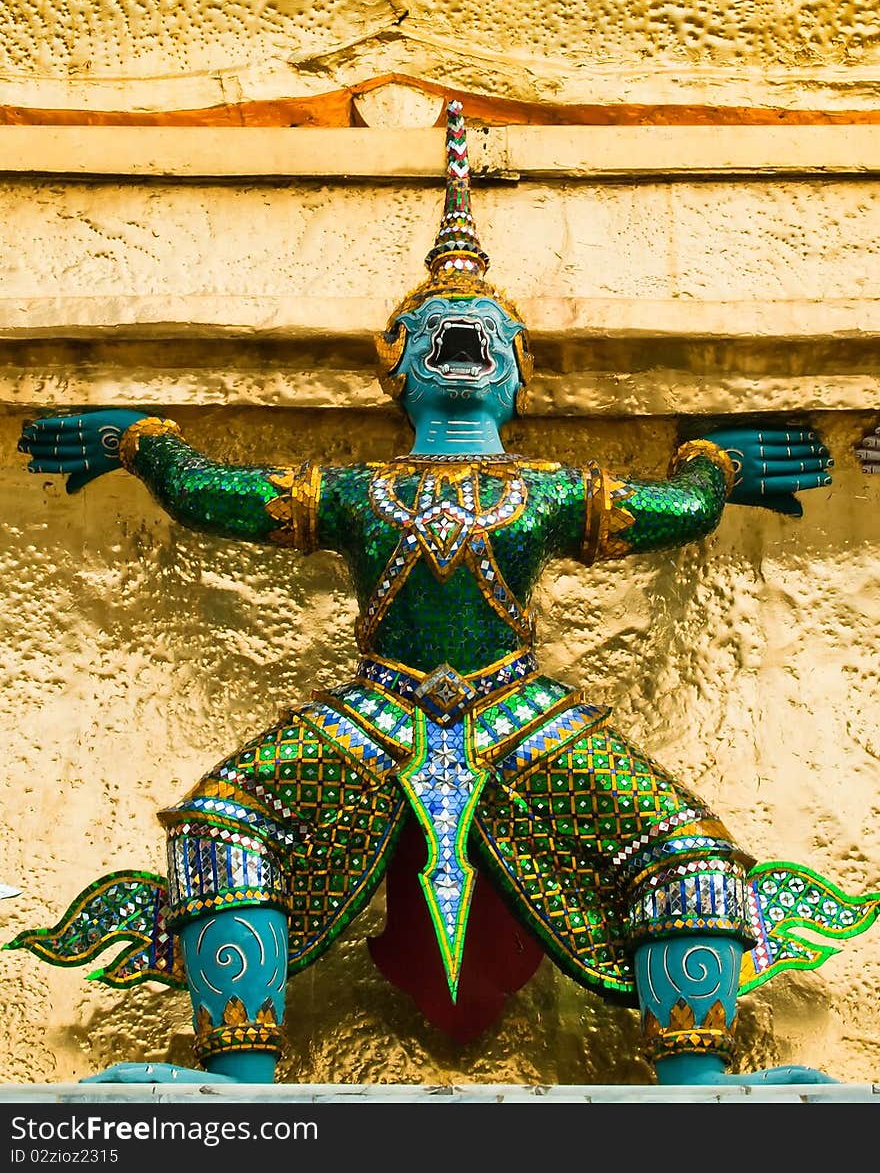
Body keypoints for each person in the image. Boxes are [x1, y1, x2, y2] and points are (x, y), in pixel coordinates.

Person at [11, 103, 878, 1087]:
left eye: (484, 333)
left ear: (515, 370)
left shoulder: (545, 491)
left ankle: (698, 1082)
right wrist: (144, 445)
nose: (463, 335)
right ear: (399, 358)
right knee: (224, 825)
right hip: (377, 710)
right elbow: (220, 495)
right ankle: (235, 1079)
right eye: (438, 328)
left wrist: (716, 468)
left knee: (682, 847)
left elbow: (672, 510)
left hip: (517, 710)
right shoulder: (354, 493)